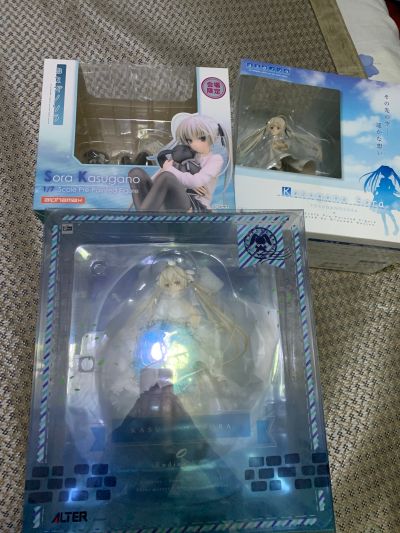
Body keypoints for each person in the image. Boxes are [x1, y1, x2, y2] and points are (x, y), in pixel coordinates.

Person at [128, 114, 231, 211]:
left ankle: (143, 215)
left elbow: (197, 181)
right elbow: (159, 180)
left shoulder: (215, 159)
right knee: (135, 173)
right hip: (170, 199)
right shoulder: (185, 154)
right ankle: (142, 213)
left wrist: (171, 171)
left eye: (201, 138)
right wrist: (166, 169)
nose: (193, 144)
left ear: (211, 137)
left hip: (195, 204)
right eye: (189, 140)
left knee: (167, 177)